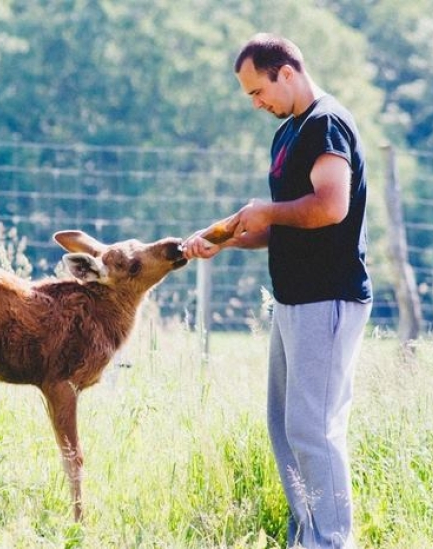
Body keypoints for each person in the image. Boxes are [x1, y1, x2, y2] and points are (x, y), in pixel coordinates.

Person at [181, 33, 372, 549]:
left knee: (314, 428)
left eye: (257, 91)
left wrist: (264, 211)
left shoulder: (326, 124)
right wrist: (226, 239)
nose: (255, 103)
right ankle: (307, 535)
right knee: (286, 427)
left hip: (328, 297)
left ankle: (331, 541)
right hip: (293, 298)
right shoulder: (287, 133)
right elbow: (286, 224)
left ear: (286, 73)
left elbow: (330, 207)